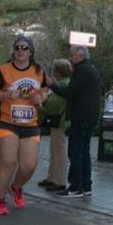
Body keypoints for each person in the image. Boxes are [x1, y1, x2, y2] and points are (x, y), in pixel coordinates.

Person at [0, 36, 48, 214]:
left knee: (29, 165)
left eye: (24, 48)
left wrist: (40, 98)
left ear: (31, 51)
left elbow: (44, 92)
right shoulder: (3, 70)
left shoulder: (39, 70)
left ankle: (16, 187)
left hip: (30, 124)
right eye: (17, 48)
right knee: (8, 162)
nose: (20, 51)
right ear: (13, 51)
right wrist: (6, 94)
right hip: (7, 123)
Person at [48, 45, 100, 197]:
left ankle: (76, 186)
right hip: (91, 115)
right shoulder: (92, 69)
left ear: (81, 56)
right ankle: (86, 186)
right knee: (84, 151)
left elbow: (69, 93)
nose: (70, 58)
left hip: (81, 116)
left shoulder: (81, 70)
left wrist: (52, 84)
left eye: (72, 55)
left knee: (75, 151)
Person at [38, 58, 72, 190]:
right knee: (54, 150)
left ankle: (59, 180)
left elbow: (54, 106)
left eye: (54, 70)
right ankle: (52, 177)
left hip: (60, 122)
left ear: (58, 71)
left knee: (59, 151)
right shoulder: (64, 82)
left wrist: (41, 103)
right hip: (59, 122)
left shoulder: (63, 84)